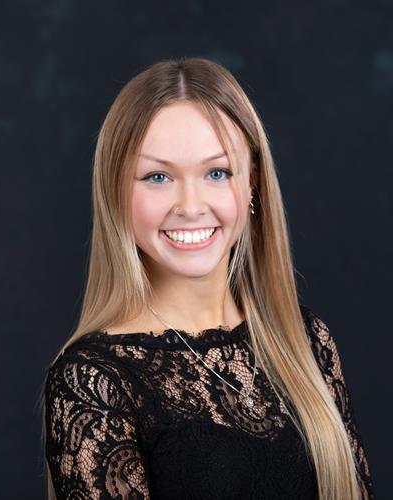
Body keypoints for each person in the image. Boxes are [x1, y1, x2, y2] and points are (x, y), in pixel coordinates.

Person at [40, 57, 374, 499]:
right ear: (115, 192)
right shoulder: (93, 381)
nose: (191, 205)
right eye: (158, 176)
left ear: (252, 184)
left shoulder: (309, 342)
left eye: (217, 172)